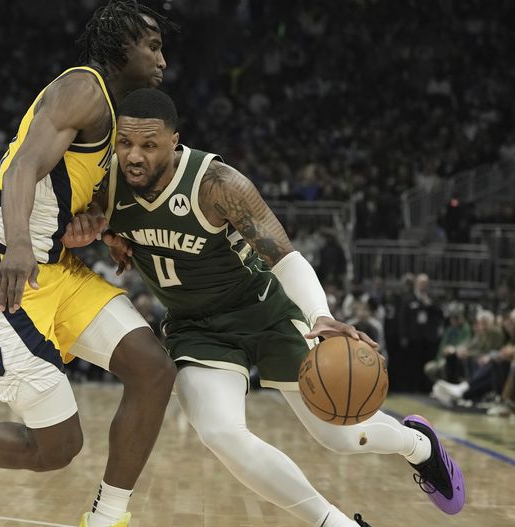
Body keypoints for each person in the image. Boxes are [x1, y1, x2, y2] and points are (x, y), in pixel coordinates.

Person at [64, 89, 466, 525]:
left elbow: (285, 257)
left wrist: (320, 316)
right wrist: (98, 234)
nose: (134, 155)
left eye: (148, 144)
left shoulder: (218, 184)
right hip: (196, 328)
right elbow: (83, 227)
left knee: (340, 436)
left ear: (174, 141)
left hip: (264, 310)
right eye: (125, 143)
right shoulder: (106, 184)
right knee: (220, 433)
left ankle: (418, 446)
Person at [0, 4, 177, 527]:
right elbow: (23, 168)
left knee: (153, 370)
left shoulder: (114, 116)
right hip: (5, 268)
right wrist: (20, 244)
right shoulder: (84, 88)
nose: (161, 59)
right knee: (57, 447)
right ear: (120, 46)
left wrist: (92, 224)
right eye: (151, 47)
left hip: (58, 267)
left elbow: (62, 198)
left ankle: (108, 517)